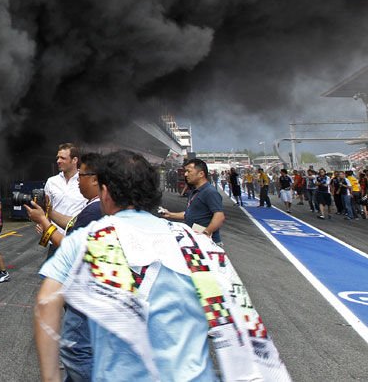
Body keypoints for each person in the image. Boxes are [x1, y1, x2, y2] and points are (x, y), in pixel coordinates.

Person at [34, 150, 290, 382]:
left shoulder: (92, 239)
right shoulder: (198, 244)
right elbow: (241, 321)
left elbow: (47, 304)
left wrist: (51, 378)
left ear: (105, 192)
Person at [24, 152, 104, 382]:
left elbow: (70, 246)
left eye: (83, 176)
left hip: (84, 290)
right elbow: (71, 224)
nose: (79, 180)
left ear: (96, 179)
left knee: (77, 351)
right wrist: (46, 214)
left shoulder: (93, 211)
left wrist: (44, 223)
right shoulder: (95, 208)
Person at [161, 159, 225, 245]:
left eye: (188, 171)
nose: (185, 174)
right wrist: (170, 214)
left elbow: (219, 216)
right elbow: (189, 214)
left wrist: (206, 233)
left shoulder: (210, 192)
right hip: (196, 239)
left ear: (201, 174)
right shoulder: (195, 191)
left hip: (208, 243)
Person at [44, 143, 88, 231]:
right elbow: (47, 208)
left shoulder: (85, 180)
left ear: (74, 160)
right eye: (58, 157)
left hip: (77, 238)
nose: (58, 161)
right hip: (55, 239)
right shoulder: (51, 182)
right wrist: (43, 224)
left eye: (63, 158)